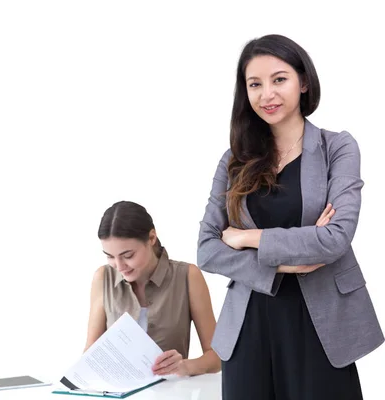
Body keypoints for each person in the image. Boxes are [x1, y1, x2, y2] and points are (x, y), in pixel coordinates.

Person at [197, 34, 384, 399]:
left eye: (279, 79)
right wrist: (284, 265)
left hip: (321, 325)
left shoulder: (338, 147)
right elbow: (207, 249)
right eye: (255, 84)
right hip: (248, 323)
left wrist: (247, 238)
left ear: (304, 82)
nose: (267, 94)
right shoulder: (234, 160)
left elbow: (334, 239)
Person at [85, 200, 221, 377]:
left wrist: (186, 366)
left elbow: (217, 356)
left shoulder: (188, 276)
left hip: (171, 393)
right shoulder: (103, 277)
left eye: (128, 255)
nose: (119, 266)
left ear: (151, 238)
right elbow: (90, 353)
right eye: (110, 256)